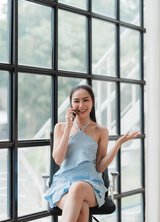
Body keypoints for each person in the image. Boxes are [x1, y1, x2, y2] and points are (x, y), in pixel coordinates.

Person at [44, 84, 140, 222]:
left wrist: (118, 144)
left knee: (77, 188)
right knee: (82, 208)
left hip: (91, 185)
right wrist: (68, 128)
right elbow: (58, 160)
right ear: (71, 103)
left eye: (85, 100)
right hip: (62, 185)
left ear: (93, 101)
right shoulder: (60, 127)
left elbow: (100, 167)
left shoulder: (100, 131)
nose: (81, 105)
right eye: (76, 101)